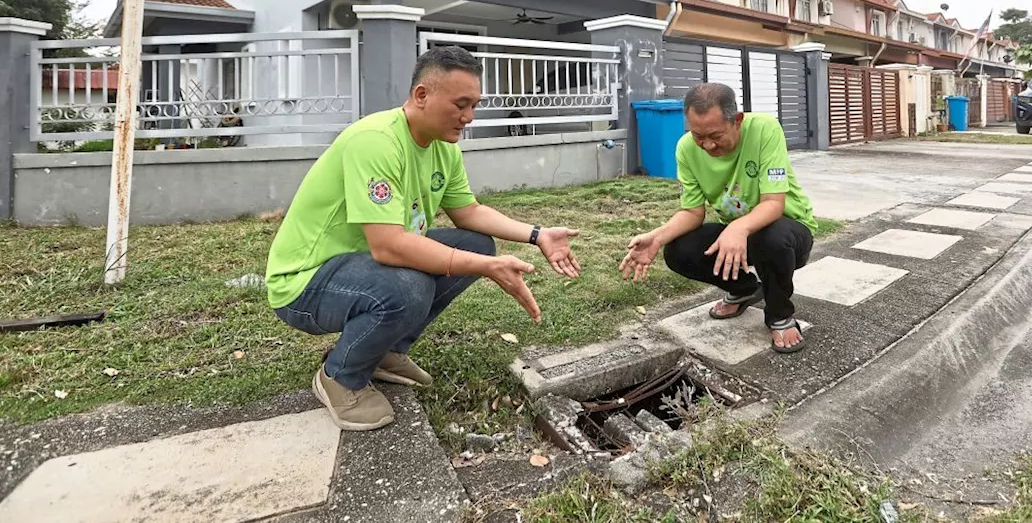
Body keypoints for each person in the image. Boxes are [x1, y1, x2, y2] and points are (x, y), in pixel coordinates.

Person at [266, 45, 582, 431]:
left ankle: (385, 352)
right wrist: (487, 268)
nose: (468, 117)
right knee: (409, 286)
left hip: (365, 267)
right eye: (460, 104)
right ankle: (340, 377)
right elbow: (389, 245)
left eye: (474, 106)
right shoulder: (376, 141)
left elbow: (470, 213)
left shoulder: (442, 148)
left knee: (475, 243)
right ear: (421, 96)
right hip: (306, 282)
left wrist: (537, 235)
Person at [619, 82, 817, 353]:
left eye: (715, 135)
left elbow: (774, 203)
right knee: (679, 249)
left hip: (789, 230)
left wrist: (738, 228)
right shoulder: (686, 149)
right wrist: (657, 237)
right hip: (738, 234)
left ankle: (779, 314)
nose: (707, 145)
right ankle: (745, 288)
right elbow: (692, 212)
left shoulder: (765, 129)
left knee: (771, 237)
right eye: (698, 136)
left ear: (736, 120)